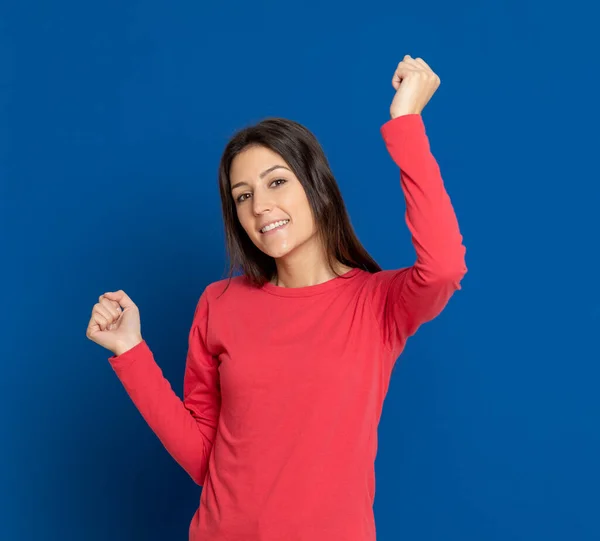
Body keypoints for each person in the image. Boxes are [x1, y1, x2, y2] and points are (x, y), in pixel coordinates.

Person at [86, 55, 467, 541]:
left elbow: (444, 267)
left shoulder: (377, 304)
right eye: (242, 196)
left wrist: (406, 121)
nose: (260, 205)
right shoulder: (219, 303)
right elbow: (206, 459)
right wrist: (131, 352)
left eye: (277, 182)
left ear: (318, 189)